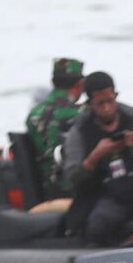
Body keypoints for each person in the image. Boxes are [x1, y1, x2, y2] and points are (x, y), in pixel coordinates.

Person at [60, 72, 133, 246]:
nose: (107, 108)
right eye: (100, 104)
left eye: (110, 101)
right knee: (98, 222)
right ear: (90, 104)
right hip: (108, 195)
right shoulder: (80, 131)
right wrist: (94, 157)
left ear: (115, 96)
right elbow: (72, 179)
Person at [24, 57, 84, 201]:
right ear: (80, 84)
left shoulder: (33, 115)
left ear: (52, 82)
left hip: (45, 188)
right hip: (74, 188)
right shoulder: (83, 114)